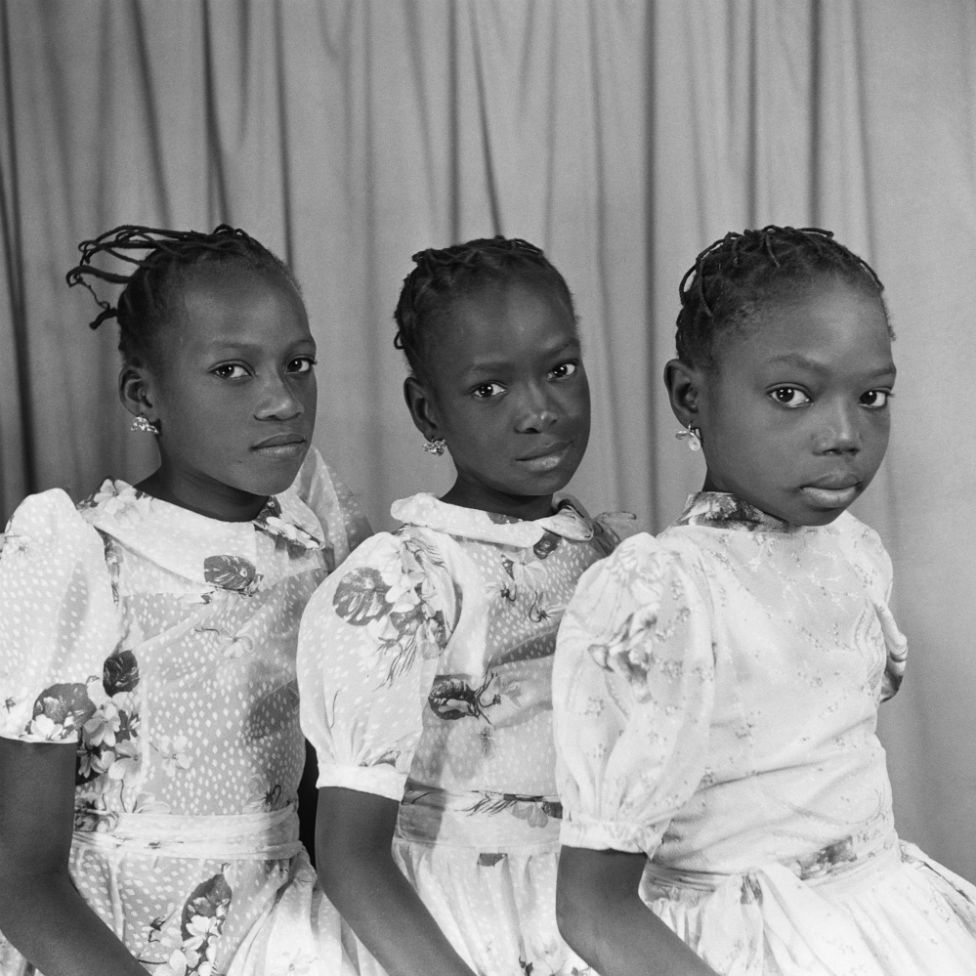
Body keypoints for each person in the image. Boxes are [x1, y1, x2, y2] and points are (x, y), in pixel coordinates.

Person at [552, 225, 976, 976]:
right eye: (791, 395)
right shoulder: (663, 599)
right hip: (735, 951)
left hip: (881, 926)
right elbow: (592, 906)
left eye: (872, 396)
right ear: (690, 395)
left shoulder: (855, 555)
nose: (845, 433)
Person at [0, 224, 370, 976]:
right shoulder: (83, 556)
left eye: (298, 365)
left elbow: (324, 801)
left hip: (285, 931)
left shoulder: (313, 540)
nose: (280, 400)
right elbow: (19, 878)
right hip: (113, 941)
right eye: (233, 370)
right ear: (145, 395)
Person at [297, 235, 635, 976]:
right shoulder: (414, 579)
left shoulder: (612, 552)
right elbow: (348, 853)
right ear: (427, 411)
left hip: (602, 903)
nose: (538, 411)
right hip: (463, 922)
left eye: (561, 370)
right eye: (489, 389)